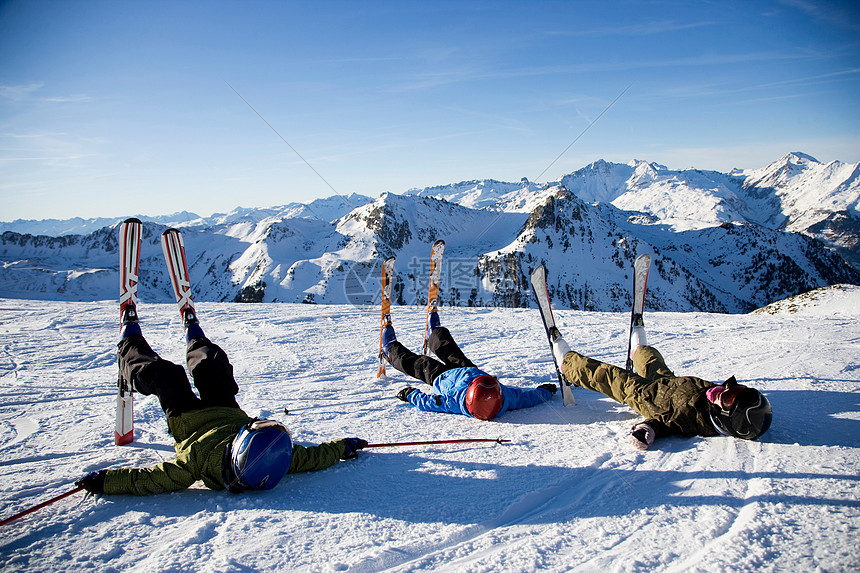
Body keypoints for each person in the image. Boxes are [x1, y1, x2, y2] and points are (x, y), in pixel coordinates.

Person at [76, 304, 367, 496]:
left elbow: (149, 480)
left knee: (166, 375)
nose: (253, 424)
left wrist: (103, 481)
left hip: (188, 420)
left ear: (240, 446)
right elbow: (315, 457)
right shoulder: (276, 460)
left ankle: (128, 348)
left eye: (252, 428)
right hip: (226, 410)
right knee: (211, 364)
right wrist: (344, 446)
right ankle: (195, 335)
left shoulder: (195, 462)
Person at [549, 320, 772, 449]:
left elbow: (665, 425)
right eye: (734, 389)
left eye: (729, 398)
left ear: (727, 418)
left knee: (608, 376)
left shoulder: (693, 422)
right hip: (668, 383)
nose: (725, 389)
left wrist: (647, 429)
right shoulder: (714, 397)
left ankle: (567, 363)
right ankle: (639, 346)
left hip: (646, 397)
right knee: (651, 359)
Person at [381, 309, 556, 420]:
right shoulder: (506, 398)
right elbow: (527, 398)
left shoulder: (454, 401)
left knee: (417, 364)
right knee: (446, 346)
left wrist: (411, 394)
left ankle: (390, 349)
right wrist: (545, 392)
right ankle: (434, 334)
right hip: (466, 368)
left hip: (439, 377)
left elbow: (428, 402)